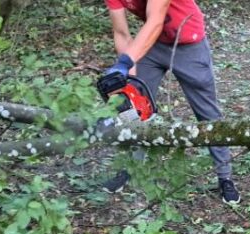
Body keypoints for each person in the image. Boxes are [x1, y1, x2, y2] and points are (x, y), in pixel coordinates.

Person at [100, 0, 241, 205]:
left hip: (188, 42)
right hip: (154, 43)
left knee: (207, 113)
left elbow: (156, 19)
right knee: (135, 108)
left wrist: (125, 62)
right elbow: (121, 33)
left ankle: (225, 177)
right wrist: (128, 80)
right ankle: (129, 169)